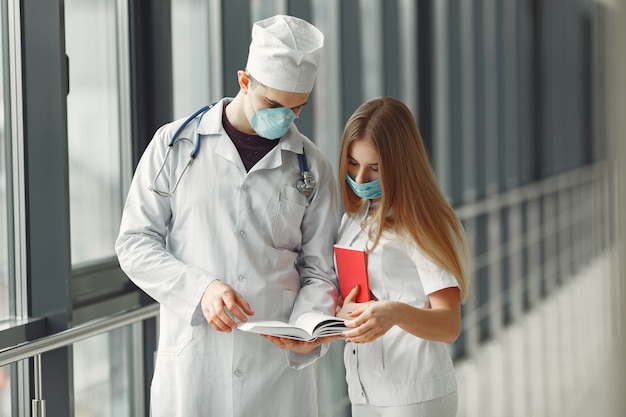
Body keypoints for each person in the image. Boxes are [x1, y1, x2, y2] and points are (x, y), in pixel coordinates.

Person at [115, 15, 339, 417]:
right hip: (196, 363)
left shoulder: (313, 168)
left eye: (295, 110)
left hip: (277, 374)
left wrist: (310, 326)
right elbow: (134, 243)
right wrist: (199, 289)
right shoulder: (175, 146)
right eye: (273, 105)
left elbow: (320, 272)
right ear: (244, 81)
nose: (283, 119)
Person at [335, 97, 471, 417]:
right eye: (353, 164)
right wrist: (343, 312)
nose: (360, 179)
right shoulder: (354, 218)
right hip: (364, 390)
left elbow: (449, 324)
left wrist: (396, 313)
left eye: (375, 168)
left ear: (400, 164)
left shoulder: (423, 222)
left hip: (414, 395)